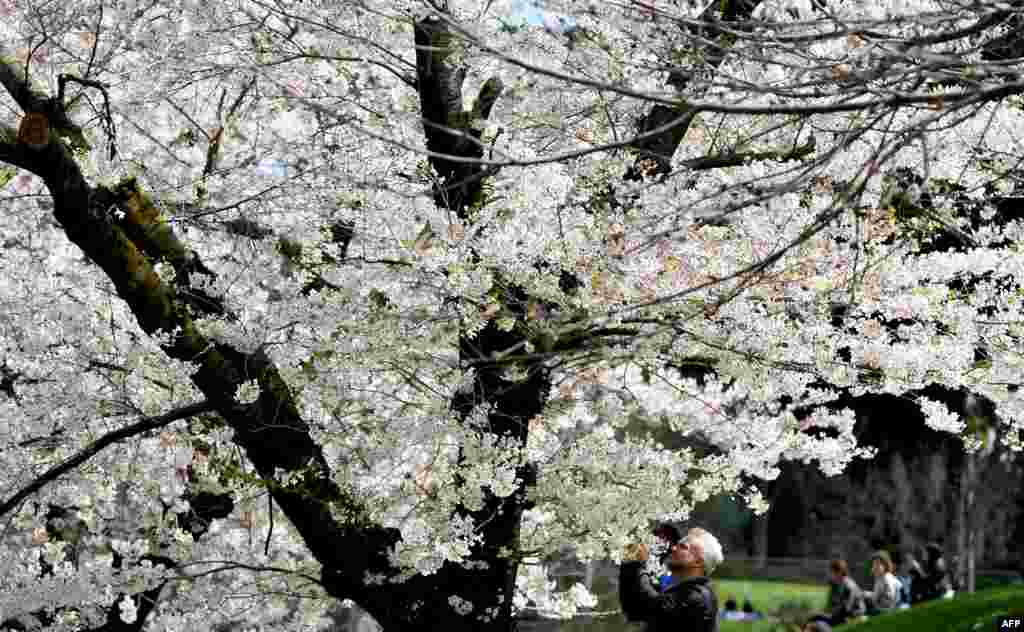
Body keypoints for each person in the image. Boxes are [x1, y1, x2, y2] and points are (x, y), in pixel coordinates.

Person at [620, 526, 724, 632]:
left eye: (683, 547)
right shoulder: (679, 591)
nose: (673, 548)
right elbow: (633, 610)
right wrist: (629, 563)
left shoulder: (699, 596)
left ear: (698, 562)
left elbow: (653, 608)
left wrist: (638, 564)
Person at [825, 559, 866, 626]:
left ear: (839, 572)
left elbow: (847, 607)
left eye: (832, 572)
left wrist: (833, 612)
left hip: (855, 614)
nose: (830, 575)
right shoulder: (838, 584)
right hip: (847, 614)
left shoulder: (848, 585)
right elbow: (832, 604)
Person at [863, 550, 902, 615]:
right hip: (886, 608)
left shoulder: (886, 578)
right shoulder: (880, 579)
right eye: (873, 564)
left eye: (878, 564)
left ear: (885, 565)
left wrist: (869, 595)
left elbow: (891, 598)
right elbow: (877, 595)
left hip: (890, 609)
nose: (875, 567)